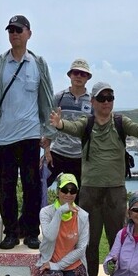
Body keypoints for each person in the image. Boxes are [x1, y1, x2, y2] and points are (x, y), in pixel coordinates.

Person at [50, 82, 138, 276]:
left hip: (115, 191)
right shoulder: (88, 122)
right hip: (90, 191)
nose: (106, 102)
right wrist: (59, 124)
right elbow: (72, 128)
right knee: (90, 242)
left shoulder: (121, 122)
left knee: (118, 241)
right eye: (101, 98)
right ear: (92, 101)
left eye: (110, 98)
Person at [0, 15, 56, 250]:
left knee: (31, 185)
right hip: (5, 135)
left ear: (28, 33)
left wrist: (49, 132)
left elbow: (46, 98)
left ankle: (32, 231)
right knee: (6, 186)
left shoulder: (38, 63)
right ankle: (11, 232)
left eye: (18, 29)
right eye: (11, 30)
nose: (14, 34)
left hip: (30, 135)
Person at [45, 58, 93, 187]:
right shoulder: (59, 98)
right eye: (75, 72)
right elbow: (49, 125)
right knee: (40, 184)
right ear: (70, 75)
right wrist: (47, 150)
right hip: (58, 152)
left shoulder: (92, 101)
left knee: (77, 194)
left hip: (80, 156)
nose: (78, 76)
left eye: (83, 74)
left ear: (88, 77)